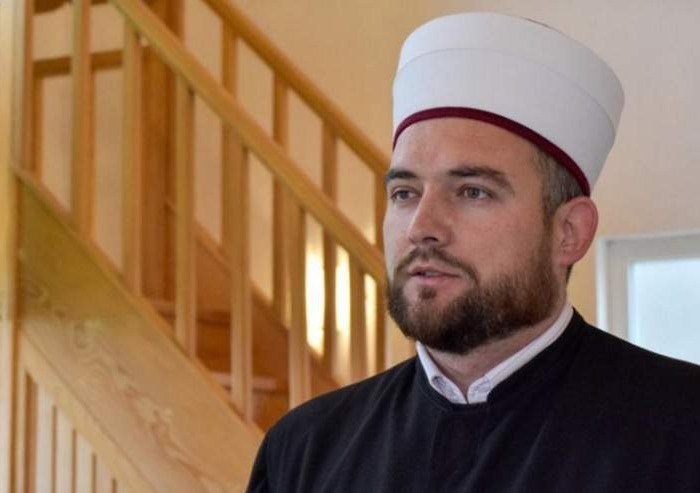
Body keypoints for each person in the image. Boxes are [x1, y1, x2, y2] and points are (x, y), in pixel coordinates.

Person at [247, 12, 700, 492]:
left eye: (472, 192)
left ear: (569, 232)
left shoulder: (682, 431)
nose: (422, 227)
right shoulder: (305, 450)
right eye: (404, 193)